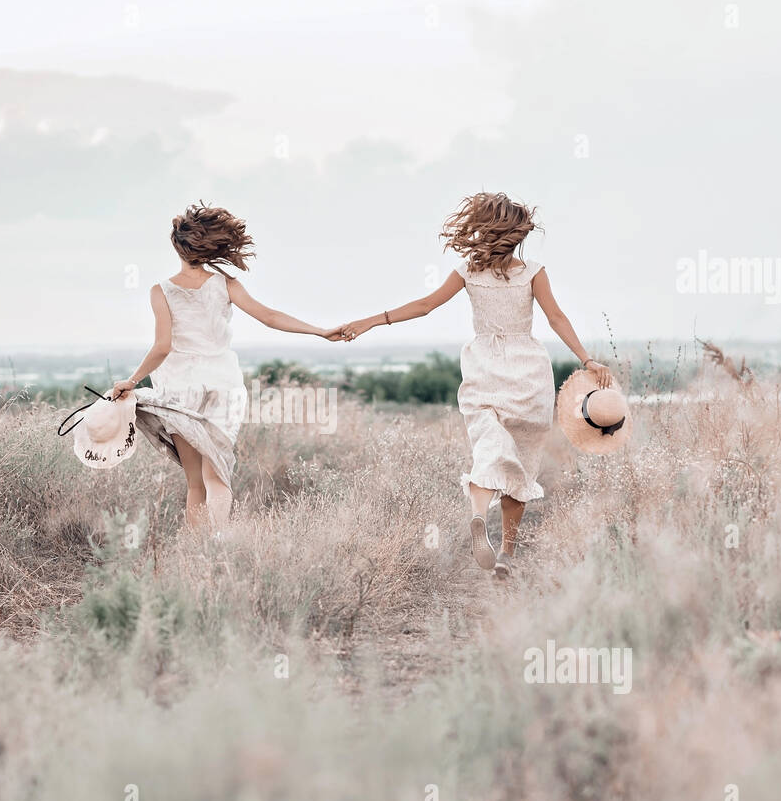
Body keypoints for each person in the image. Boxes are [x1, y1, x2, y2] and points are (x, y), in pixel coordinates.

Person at [338, 192, 611, 576]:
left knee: (489, 447)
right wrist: (587, 358)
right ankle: (506, 554)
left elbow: (424, 306)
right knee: (521, 464)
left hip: (484, 368)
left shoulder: (468, 272)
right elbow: (556, 319)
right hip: (529, 374)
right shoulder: (533, 271)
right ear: (517, 235)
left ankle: (479, 514)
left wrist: (369, 321)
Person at [110, 203, 343, 530]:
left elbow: (162, 347)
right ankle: (217, 543)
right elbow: (271, 317)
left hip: (179, 389)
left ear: (178, 248)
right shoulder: (226, 284)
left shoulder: (160, 291)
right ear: (208, 248)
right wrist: (319, 331)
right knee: (217, 476)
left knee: (195, 483)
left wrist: (132, 381)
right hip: (222, 384)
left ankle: (198, 553)